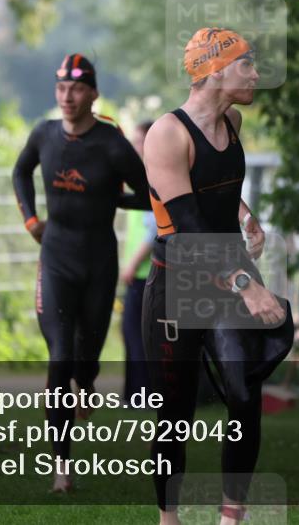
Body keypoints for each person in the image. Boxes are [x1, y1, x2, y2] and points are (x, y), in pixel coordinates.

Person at [142, 27, 294, 524]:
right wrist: (248, 285)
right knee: (174, 413)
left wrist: (245, 213)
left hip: (227, 272)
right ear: (214, 70)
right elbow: (186, 225)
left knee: (244, 393)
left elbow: (213, 188)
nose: (256, 73)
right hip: (178, 282)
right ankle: (169, 519)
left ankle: (233, 518)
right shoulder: (166, 133)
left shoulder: (233, 121)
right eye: (247, 63)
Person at [12, 53, 151, 493]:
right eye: (60, 89)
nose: (67, 97)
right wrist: (31, 220)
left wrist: (109, 197)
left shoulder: (111, 143)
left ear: (92, 93)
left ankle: (87, 383)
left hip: (98, 263)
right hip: (55, 259)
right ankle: (61, 469)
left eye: (76, 89)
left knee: (85, 360)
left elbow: (150, 195)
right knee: (59, 357)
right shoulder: (45, 134)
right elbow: (20, 172)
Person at [120, 120, 157, 403]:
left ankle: (142, 398)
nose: (134, 147)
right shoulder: (139, 177)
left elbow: (155, 229)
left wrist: (132, 263)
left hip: (146, 274)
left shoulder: (154, 178)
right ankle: (135, 397)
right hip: (141, 274)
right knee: (132, 334)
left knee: (138, 337)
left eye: (138, 141)